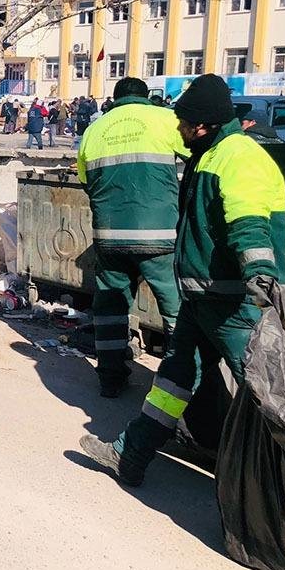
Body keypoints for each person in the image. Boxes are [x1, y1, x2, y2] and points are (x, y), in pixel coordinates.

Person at [80, 74, 285, 485]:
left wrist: (259, 273)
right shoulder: (209, 153)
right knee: (173, 379)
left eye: (183, 123)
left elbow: (247, 222)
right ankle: (130, 454)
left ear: (203, 125)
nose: (177, 128)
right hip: (202, 296)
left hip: (232, 300)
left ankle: (282, 476)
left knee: (265, 390)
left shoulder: (237, 156)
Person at [76, 77, 188, 397]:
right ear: (146, 97)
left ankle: (110, 379)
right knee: (176, 311)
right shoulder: (166, 119)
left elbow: (87, 182)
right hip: (160, 238)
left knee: (111, 309)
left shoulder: (95, 129)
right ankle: (177, 384)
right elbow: (195, 164)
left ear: (114, 99)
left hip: (110, 237)